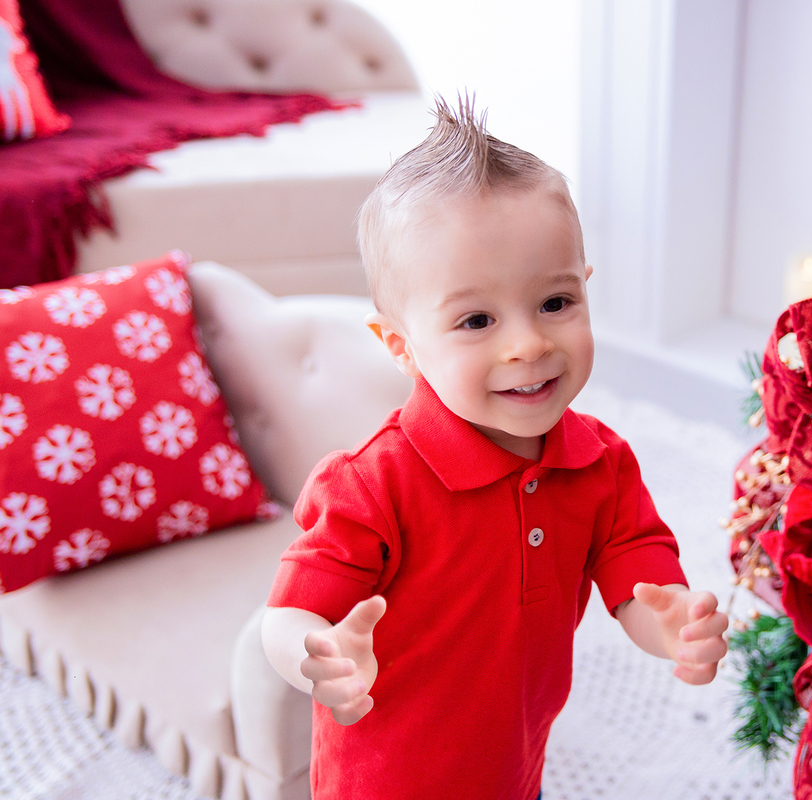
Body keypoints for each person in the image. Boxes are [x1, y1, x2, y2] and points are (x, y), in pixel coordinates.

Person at [261, 96, 729, 800]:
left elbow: (637, 574)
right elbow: (287, 614)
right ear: (402, 348)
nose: (529, 344)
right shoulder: (371, 484)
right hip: (384, 782)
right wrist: (319, 654)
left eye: (555, 303)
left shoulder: (599, 462)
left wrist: (669, 624)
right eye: (476, 319)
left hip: (513, 769)